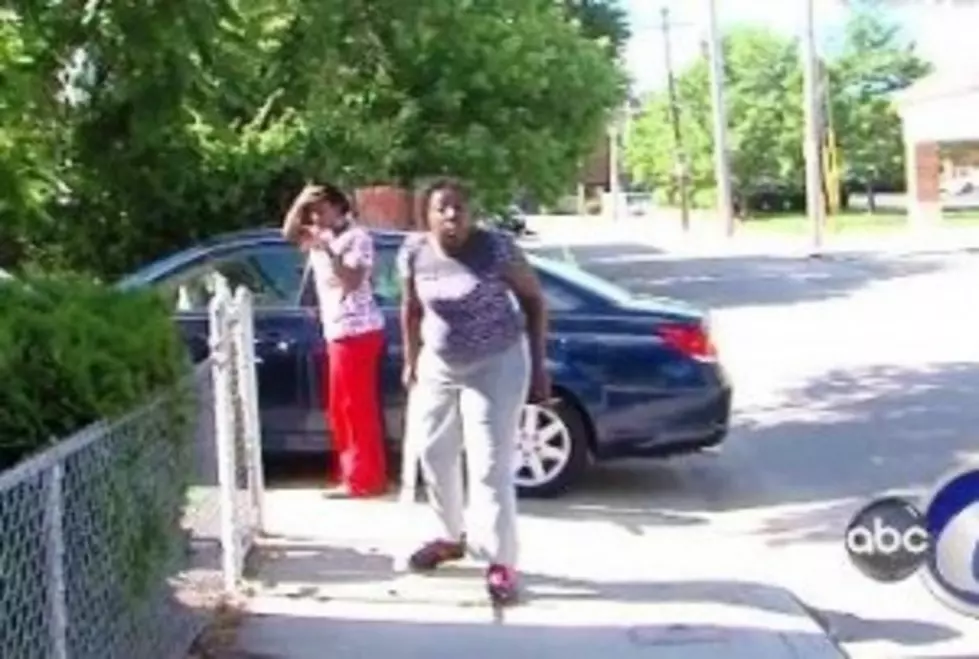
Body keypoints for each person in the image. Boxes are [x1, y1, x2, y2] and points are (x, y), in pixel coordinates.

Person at [397, 178, 550, 604]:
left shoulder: (496, 249)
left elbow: (536, 301)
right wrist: (411, 360)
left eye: (459, 207)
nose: (452, 215)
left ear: (471, 212)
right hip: (440, 362)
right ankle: (451, 537)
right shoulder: (413, 252)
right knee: (433, 451)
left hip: (497, 362)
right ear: (426, 216)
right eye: (442, 208)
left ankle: (501, 563)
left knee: (489, 466)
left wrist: (539, 367)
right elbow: (410, 308)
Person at [282, 183, 387, 498]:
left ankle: (363, 479)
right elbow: (288, 234)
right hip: (337, 331)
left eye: (322, 209)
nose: (316, 216)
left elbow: (352, 280)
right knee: (342, 408)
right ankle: (355, 474)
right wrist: (301, 200)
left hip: (358, 331)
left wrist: (328, 249)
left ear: (340, 209)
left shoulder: (358, 238)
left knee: (356, 407)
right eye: (313, 211)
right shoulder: (318, 235)